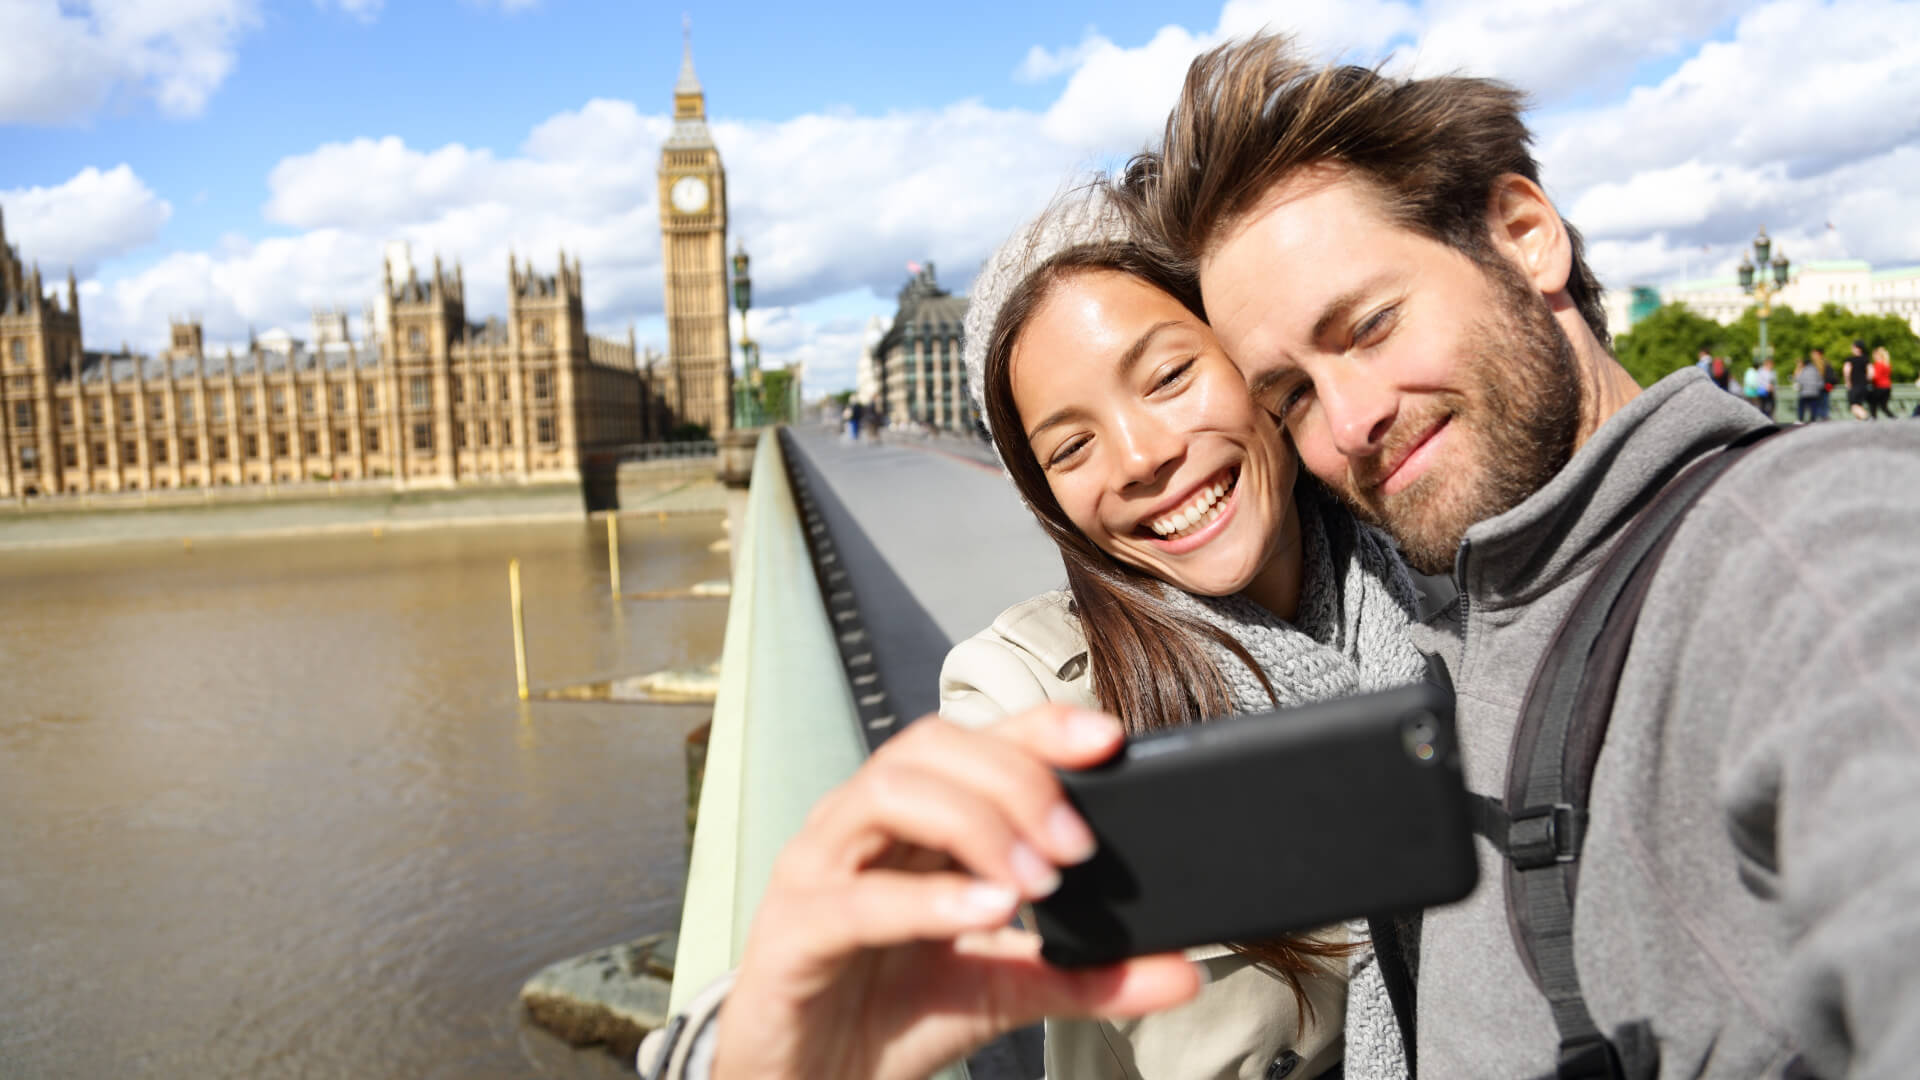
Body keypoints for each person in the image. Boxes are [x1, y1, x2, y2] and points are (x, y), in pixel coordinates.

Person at [1124, 35, 1920, 1078]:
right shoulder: (1442, 611)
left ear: (1523, 235)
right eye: (1294, 396)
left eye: (1367, 326)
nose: (1353, 421)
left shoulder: (1797, 539)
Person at [648, 188, 1437, 1080]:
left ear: (1255, 365)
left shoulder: (1449, 576)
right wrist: (753, 1052)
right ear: (1047, 500)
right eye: (1070, 448)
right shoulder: (1030, 697)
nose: (1141, 457)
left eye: (1170, 376)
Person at [1845, 338, 1872, 420]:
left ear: (1857, 348)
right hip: (1864, 386)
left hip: (1854, 385)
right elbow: (1871, 373)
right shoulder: (1866, 359)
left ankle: (1866, 416)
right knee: (1859, 404)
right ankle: (1861, 425)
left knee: (1853, 405)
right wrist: (1867, 381)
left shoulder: (1850, 360)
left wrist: (1848, 382)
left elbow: (1846, 371)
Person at [1795, 353, 1825, 422]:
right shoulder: (1816, 371)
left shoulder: (1803, 371)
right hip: (1814, 393)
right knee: (1814, 407)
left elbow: (1799, 380)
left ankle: (1800, 419)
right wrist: (1816, 388)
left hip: (1804, 393)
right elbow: (1821, 383)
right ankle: (1813, 420)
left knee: (1801, 407)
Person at [1870, 346, 1896, 420]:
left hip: (1879, 387)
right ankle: (1894, 418)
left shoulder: (1878, 365)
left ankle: (1873, 418)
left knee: (1873, 403)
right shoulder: (1887, 364)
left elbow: (1875, 377)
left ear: (1877, 355)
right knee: (1883, 406)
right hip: (1887, 387)